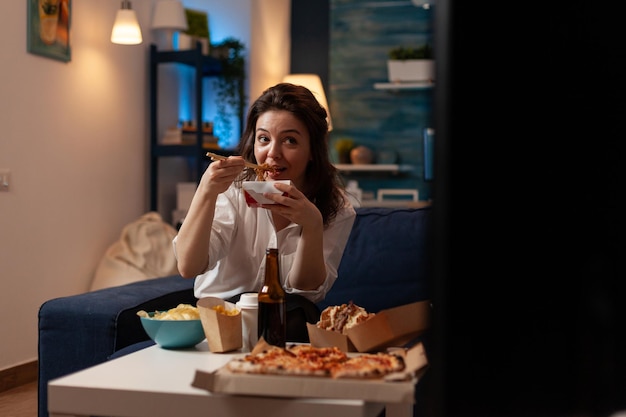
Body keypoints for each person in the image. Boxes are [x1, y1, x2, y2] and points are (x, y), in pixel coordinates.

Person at [173, 82, 356, 341]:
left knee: (294, 315)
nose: (272, 153)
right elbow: (189, 267)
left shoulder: (337, 206)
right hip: (223, 319)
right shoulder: (232, 190)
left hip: (288, 321)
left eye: (290, 140)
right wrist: (206, 192)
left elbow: (305, 287)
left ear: (313, 150)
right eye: (264, 139)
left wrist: (312, 225)